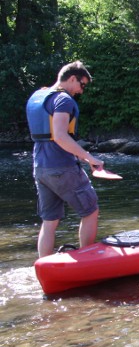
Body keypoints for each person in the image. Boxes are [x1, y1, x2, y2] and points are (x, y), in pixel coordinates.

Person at [26, 61, 105, 257]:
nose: (81, 90)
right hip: (62, 167)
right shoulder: (64, 100)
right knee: (90, 211)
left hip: (40, 167)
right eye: (82, 84)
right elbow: (60, 136)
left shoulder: (37, 96)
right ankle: (87, 260)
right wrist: (88, 157)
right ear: (72, 78)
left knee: (50, 221)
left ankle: (43, 267)